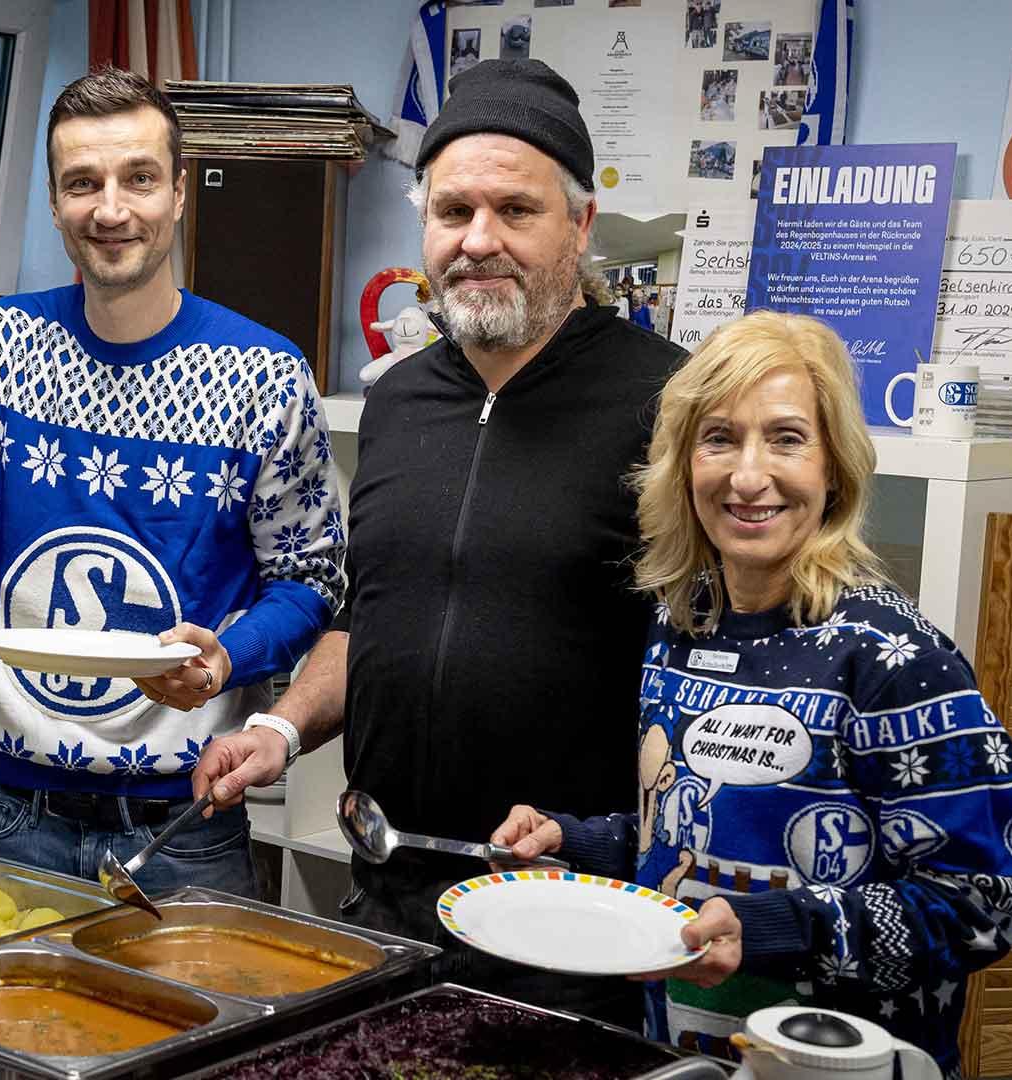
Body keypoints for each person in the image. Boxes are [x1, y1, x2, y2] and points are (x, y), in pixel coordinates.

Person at [191, 59, 682, 1023]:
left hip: (564, 913)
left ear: (579, 227)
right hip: (385, 891)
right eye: (453, 211)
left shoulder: (668, 404)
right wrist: (281, 731)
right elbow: (366, 615)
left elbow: (706, 670)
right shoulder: (400, 400)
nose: (478, 241)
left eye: (515, 210)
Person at [0, 67, 343, 897]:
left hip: (186, 824)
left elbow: (311, 582)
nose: (110, 209)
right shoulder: (0, 344)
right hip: (14, 812)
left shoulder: (265, 374)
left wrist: (228, 659)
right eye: (83, 183)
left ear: (179, 193)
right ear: (53, 202)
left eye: (138, 178)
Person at [488, 311, 1012, 1073]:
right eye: (719, 438)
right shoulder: (681, 627)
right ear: (683, 465)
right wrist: (573, 842)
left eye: (785, 438)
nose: (748, 476)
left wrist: (780, 928)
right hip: (683, 1053)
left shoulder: (893, 657)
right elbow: (685, 838)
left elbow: (985, 902)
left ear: (834, 466)